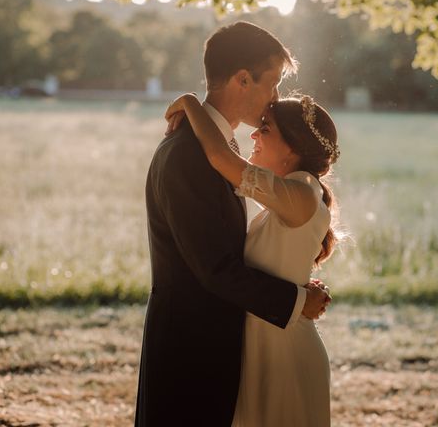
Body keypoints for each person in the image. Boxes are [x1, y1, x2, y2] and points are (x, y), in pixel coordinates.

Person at [134, 21, 331, 427]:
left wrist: (190, 102)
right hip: (189, 351)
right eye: (273, 81)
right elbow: (215, 268)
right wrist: (297, 301)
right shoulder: (188, 153)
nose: (276, 97)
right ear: (243, 79)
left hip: (221, 349)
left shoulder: (216, 148)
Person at [165, 91, 340, 427]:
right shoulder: (292, 193)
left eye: (266, 129)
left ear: (294, 147)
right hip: (264, 348)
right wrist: (301, 293)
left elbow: (219, 156)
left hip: (285, 355)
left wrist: (190, 102)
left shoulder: (302, 194)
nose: (253, 135)